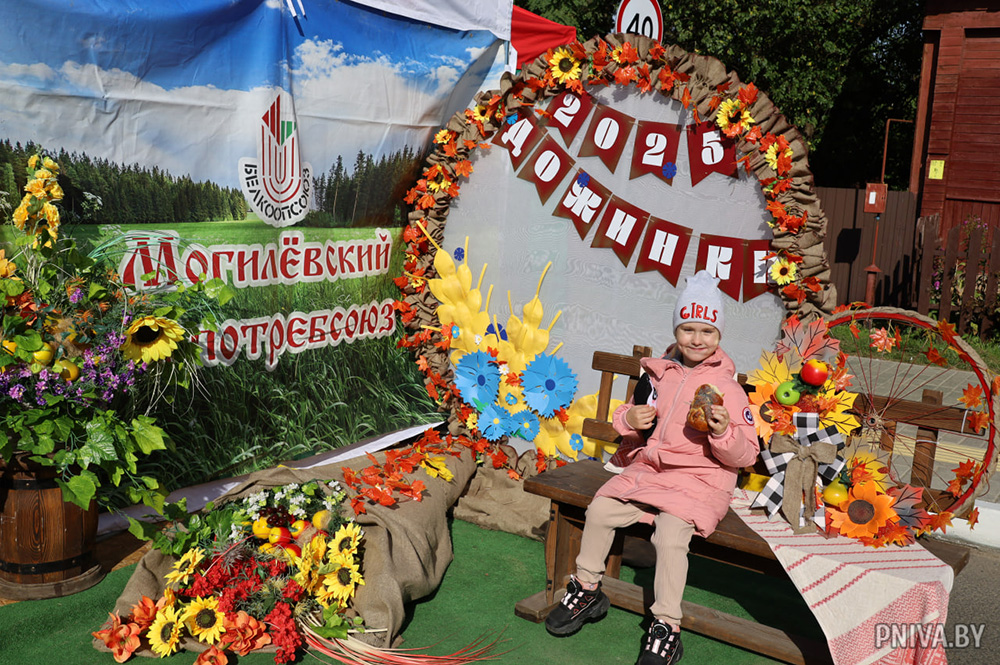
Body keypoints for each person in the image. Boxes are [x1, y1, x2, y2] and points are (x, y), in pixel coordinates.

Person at [544, 270, 759, 665]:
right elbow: (629, 414)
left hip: (700, 481)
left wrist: (723, 432)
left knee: (670, 536)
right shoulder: (658, 375)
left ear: (719, 336)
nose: (697, 339)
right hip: (650, 473)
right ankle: (587, 590)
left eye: (707, 331)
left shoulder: (728, 389)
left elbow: (747, 455)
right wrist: (630, 420)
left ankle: (666, 626)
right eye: (688, 329)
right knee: (601, 510)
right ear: (676, 330)